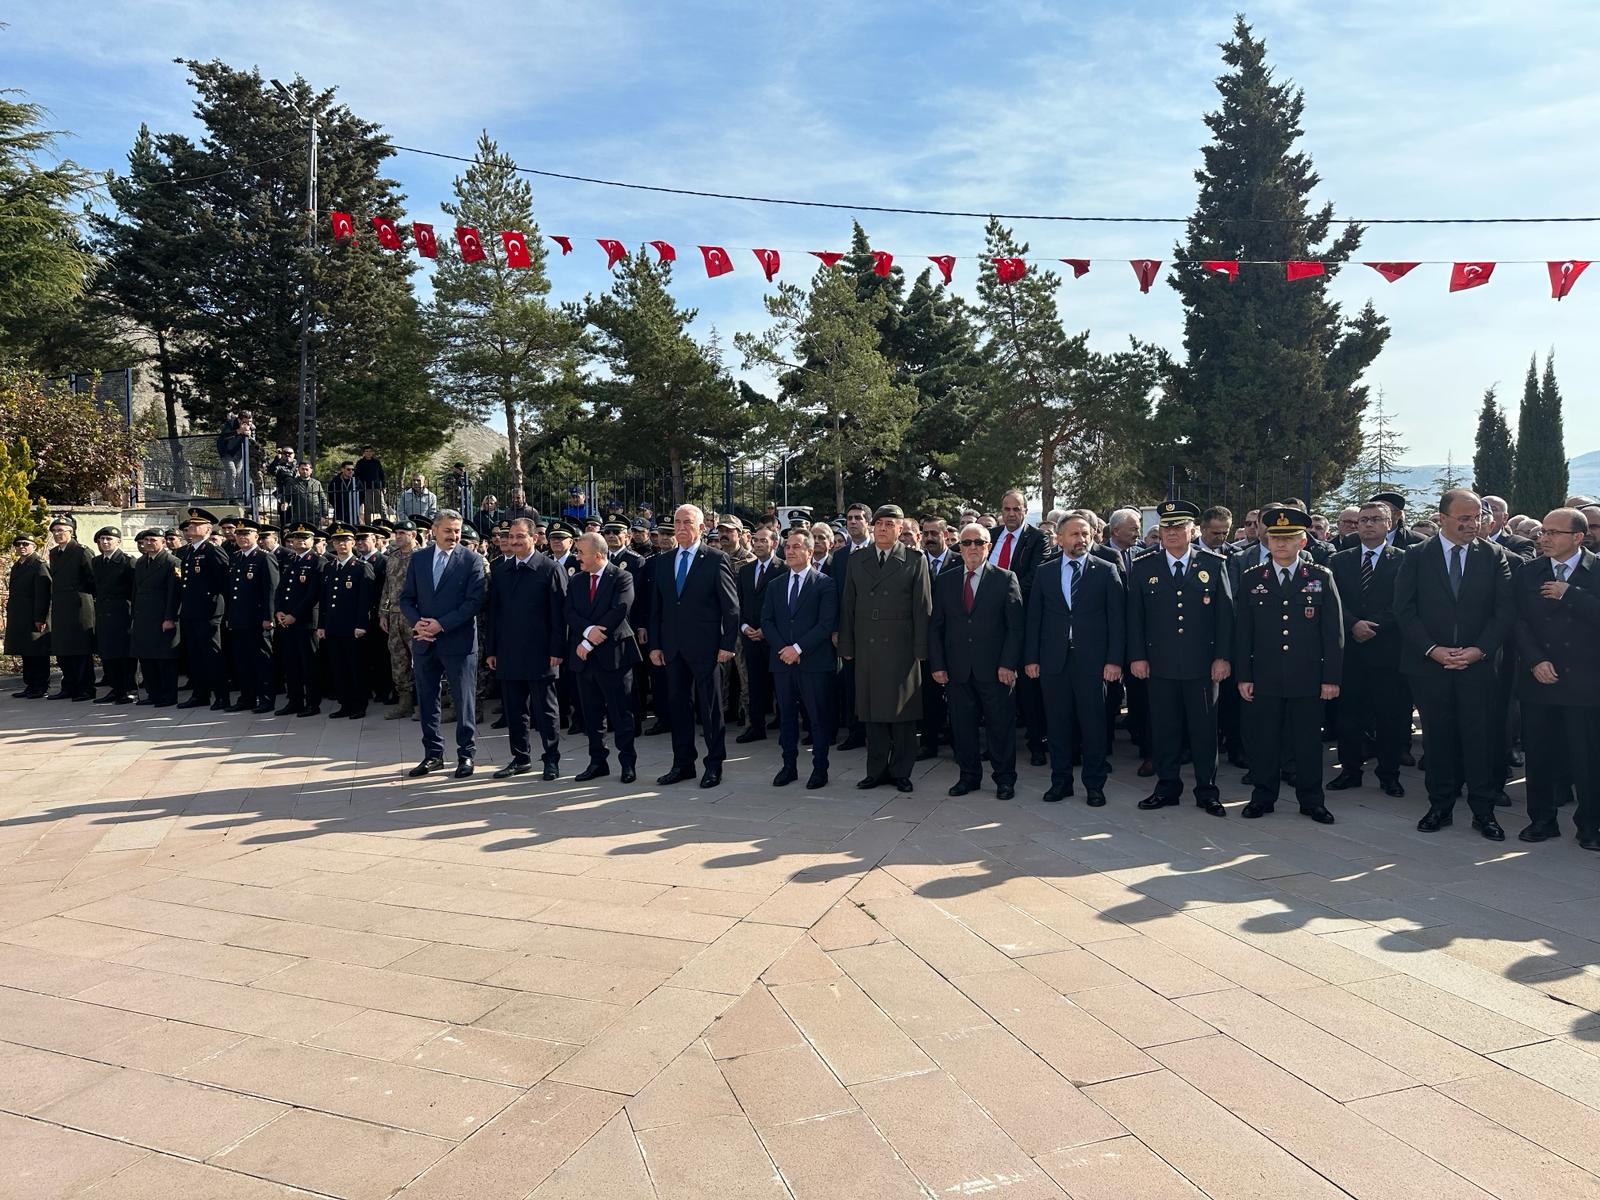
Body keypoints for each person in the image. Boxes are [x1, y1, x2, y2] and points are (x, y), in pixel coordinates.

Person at [1394, 488, 1515, 840]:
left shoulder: (1493, 556)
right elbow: (1405, 609)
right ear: (1442, 518)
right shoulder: (1417, 555)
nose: (1472, 524)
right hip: (1431, 665)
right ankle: (1440, 806)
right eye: (1463, 518)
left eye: (1477, 516)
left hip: (1477, 666)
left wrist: (1480, 650)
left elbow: (1504, 611)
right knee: (1439, 738)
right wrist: (1432, 649)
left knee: (1480, 738)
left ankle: (1483, 811)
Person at [1232, 507, 1343, 823]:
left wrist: (1330, 678)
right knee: (1264, 740)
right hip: (1265, 676)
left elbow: (1333, 634)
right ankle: (1263, 797)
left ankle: (1311, 800)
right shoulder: (1253, 578)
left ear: (1303, 542)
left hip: (1307, 676)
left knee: (1307, 742)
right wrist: (1244, 675)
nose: (1280, 544)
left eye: (1288, 538)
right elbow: (1244, 634)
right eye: (1275, 538)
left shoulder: (1321, 578)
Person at [1128, 500, 1234, 816]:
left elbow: (1225, 616)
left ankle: (1207, 791)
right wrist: (1137, 656)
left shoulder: (1214, 564)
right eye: (1166, 527)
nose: (1172, 533)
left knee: (1204, 731)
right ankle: (1167, 788)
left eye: (1178, 527)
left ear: (1193, 530)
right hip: (1159, 665)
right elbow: (1135, 617)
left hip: (1202, 666)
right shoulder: (1145, 565)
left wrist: (1222, 657)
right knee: (1165, 729)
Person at [1513, 509, 1600, 848]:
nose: (1544, 538)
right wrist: (1535, 660)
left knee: (1588, 757)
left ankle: (1590, 825)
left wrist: (1571, 594)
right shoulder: (1528, 571)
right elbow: (1517, 621)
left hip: (1586, 681)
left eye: (1553, 533)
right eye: (1543, 532)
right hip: (1540, 677)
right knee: (1540, 753)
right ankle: (1542, 820)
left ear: (1578, 537)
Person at [1025, 514, 1125, 806]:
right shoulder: (1045, 572)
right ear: (1059, 539)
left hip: (1093, 663)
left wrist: (1114, 661)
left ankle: (1094, 785)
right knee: (1057, 725)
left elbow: (1117, 620)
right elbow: (1034, 620)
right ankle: (1061, 782)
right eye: (1074, 534)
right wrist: (1031, 658)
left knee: (1093, 726)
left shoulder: (1106, 571)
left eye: (1085, 534)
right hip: (1054, 662)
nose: (1080, 539)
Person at [840, 504, 934, 792]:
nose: (883, 528)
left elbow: (923, 607)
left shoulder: (914, 560)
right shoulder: (858, 560)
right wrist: (846, 643)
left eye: (890, 524)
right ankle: (876, 770)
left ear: (900, 529)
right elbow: (848, 605)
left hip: (902, 646)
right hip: (868, 643)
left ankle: (901, 771)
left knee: (903, 713)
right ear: (872, 527)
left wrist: (921, 649)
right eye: (879, 524)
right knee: (872, 712)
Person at [645, 504, 739, 787]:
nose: (681, 527)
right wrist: (656, 645)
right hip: (673, 648)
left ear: (701, 528)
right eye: (677, 522)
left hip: (706, 648)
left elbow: (731, 608)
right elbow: (657, 609)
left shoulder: (715, 559)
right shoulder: (663, 561)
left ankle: (714, 765)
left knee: (710, 709)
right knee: (678, 707)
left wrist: (727, 644)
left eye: (688, 522)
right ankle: (682, 763)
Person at [933, 523, 1024, 799]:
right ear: (959, 548)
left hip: (996, 670)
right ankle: (969, 777)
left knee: (1000, 727)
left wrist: (1008, 664)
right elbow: (936, 626)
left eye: (979, 542)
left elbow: (1016, 628)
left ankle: (1005, 779)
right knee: (963, 728)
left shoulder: (1006, 578)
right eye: (967, 543)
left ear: (989, 546)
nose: (973, 548)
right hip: (958, 670)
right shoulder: (945, 580)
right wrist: (938, 664)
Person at [1327, 500, 1409, 797]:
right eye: (1363, 520)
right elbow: (1333, 601)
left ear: (1390, 524)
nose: (1368, 524)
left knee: (1390, 716)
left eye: (1375, 519)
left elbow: (1404, 603)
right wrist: (1353, 625)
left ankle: (1389, 774)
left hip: (1387, 650)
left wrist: (1373, 625)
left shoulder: (1404, 559)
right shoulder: (1339, 560)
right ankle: (1350, 770)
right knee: (1349, 715)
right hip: (1350, 652)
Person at [401, 509, 487, 778]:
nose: (454, 535)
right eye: (448, 530)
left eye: (457, 531)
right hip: (424, 641)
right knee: (427, 698)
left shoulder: (471, 560)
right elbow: (406, 598)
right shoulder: (419, 559)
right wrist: (419, 623)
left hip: (457, 642)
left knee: (463, 701)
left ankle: (466, 755)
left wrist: (441, 625)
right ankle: (433, 754)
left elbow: (475, 602)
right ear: (434, 531)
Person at [486, 517, 567, 780]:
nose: (514, 541)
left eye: (520, 536)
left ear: (534, 538)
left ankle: (551, 759)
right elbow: (494, 614)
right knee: (514, 710)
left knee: (545, 711)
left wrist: (558, 649)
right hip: (509, 653)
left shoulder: (549, 568)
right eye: (511, 536)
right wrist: (492, 650)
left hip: (541, 653)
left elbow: (560, 615)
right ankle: (520, 758)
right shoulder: (500, 571)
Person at [761, 527, 838, 788]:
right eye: (787, 547)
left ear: (809, 550)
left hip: (813, 662)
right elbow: (767, 621)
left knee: (816, 718)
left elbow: (826, 624)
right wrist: (784, 648)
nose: (789, 551)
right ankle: (788, 766)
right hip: (782, 662)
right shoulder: (775, 585)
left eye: (795, 547)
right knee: (786, 717)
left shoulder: (825, 583)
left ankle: (820, 768)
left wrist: (798, 648)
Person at [565, 531, 640, 783]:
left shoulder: (622, 576)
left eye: (580, 553)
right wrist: (587, 633)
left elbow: (619, 609)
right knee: (592, 714)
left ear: (598, 555)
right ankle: (597, 762)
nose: (577, 558)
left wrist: (589, 640)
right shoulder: (576, 581)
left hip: (614, 656)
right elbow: (570, 612)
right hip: (584, 659)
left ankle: (627, 764)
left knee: (621, 713)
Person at [220, 518, 279, 713]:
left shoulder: (264, 557)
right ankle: (247, 698)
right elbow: (231, 591)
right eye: (239, 534)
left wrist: (268, 617)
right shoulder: (236, 557)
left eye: (246, 534)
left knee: (262, 661)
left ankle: (266, 699)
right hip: (238, 619)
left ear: (256, 536)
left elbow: (271, 590)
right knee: (242, 661)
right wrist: (230, 615)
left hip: (257, 619)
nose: (242, 538)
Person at [174, 509, 230, 710]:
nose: (190, 528)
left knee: (212, 655)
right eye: (190, 525)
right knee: (195, 655)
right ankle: (200, 694)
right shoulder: (189, 551)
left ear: (207, 529)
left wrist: (220, 608)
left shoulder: (212, 550)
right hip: (191, 611)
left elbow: (224, 581)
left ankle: (222, 696)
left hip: (209, 612)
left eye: (196, 525)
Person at [273, 522, 323, 717]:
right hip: (286, 622)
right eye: (296, 538)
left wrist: (294, 615)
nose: (300, 541)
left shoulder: (316, 561)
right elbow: (280, 588)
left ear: (312, 541)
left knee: (309, 664)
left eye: (305, 538)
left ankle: (312, 703)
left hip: (305, 622)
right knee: (291, 663)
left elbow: (312, 595)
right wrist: (279, 611)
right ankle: (295, 701)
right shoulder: (291, 559)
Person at [45, 516, 96, 701]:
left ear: (71, 531)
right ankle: (69, 686)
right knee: (63, 649)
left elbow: (93, 579)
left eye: (61, 530)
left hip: (79, 605)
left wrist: (81, 595)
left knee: (80, 649)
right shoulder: (54, 553)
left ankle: (85, 688)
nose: (57, 534)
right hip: (61, 606)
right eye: (55, 531)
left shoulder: (82, 551)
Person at [736, 527, 779, 744]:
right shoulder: (745, 571)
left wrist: (766, 630)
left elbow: (785, 607)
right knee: (754, 683)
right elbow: (739, 604)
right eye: (756, 540)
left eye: (763, 540)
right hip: (750, 637)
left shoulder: (784, 569)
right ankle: (756, 726)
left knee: (780, 684)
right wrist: (744, 627)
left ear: (774, 543)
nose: (758, 544)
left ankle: (784, 721)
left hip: (775, 638)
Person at [129, 528, 181, 706]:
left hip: (162, 617)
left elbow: (174, 593)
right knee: (147, 658)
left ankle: (168, 696)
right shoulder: (142, 562)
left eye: (153, 540)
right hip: (144, 617)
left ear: (163, 542)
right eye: (146, 540)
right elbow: (136, 590)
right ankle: (153, 693)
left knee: (164, 659)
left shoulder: (172, 562)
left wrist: (170, 617)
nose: (149, 543)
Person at [90, 526, 137, 704]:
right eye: (102, 539)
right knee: (108, 653)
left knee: (124, 654)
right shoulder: (97, 562)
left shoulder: (127, 562)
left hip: (122, 613)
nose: (105, 542)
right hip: (103, 613)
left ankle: (128, 689)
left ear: (118, 542)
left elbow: (134, 590)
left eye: (109, 539)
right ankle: (116, 689)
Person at [380, 520, 419, 720]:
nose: (398, 536)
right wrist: (382, 613)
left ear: (413, 535)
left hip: (415, 616)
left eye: (402, 533)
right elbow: (387, 587)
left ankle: (424, 703)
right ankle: (405, 703)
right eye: (396, 533)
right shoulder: (392, 558)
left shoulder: (422, 557)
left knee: (421, 660)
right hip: (394, 615)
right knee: (398, 660)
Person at [6, 532, 51, 698]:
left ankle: (40, 686)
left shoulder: (39, 565)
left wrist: (41, 617)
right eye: (18, 545)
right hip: (20, 616)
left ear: (34, 546)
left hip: (34, 615)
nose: (22, 547)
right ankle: (30, 685)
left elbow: (44, 593)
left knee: (37, 651)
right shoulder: (17, 566)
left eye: (26, 544)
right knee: (26, 651)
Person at [281, 461, 329, 526]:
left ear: (311, 470)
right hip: (298, 517)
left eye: (307, 469)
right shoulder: (292, 483)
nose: (305, 471)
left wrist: (324, 515)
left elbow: (323, 499)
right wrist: (285, 503)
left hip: (314, 517)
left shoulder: (316, 483)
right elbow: (286, 496)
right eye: (302, 469)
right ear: (299, 470)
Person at [354, 446, 387, 517]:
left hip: (377, 487)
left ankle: (386, 522)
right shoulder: (360, 463)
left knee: (382, 506)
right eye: (367, 451)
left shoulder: (376, 462)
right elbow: (357, 476)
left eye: (370, 451)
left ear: (372, 453)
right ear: (364, 453)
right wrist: (359, 487)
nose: (368, 453)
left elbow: (382, 475)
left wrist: (384, 486)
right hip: (365, 488)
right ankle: (368, 525)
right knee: (367, 508)